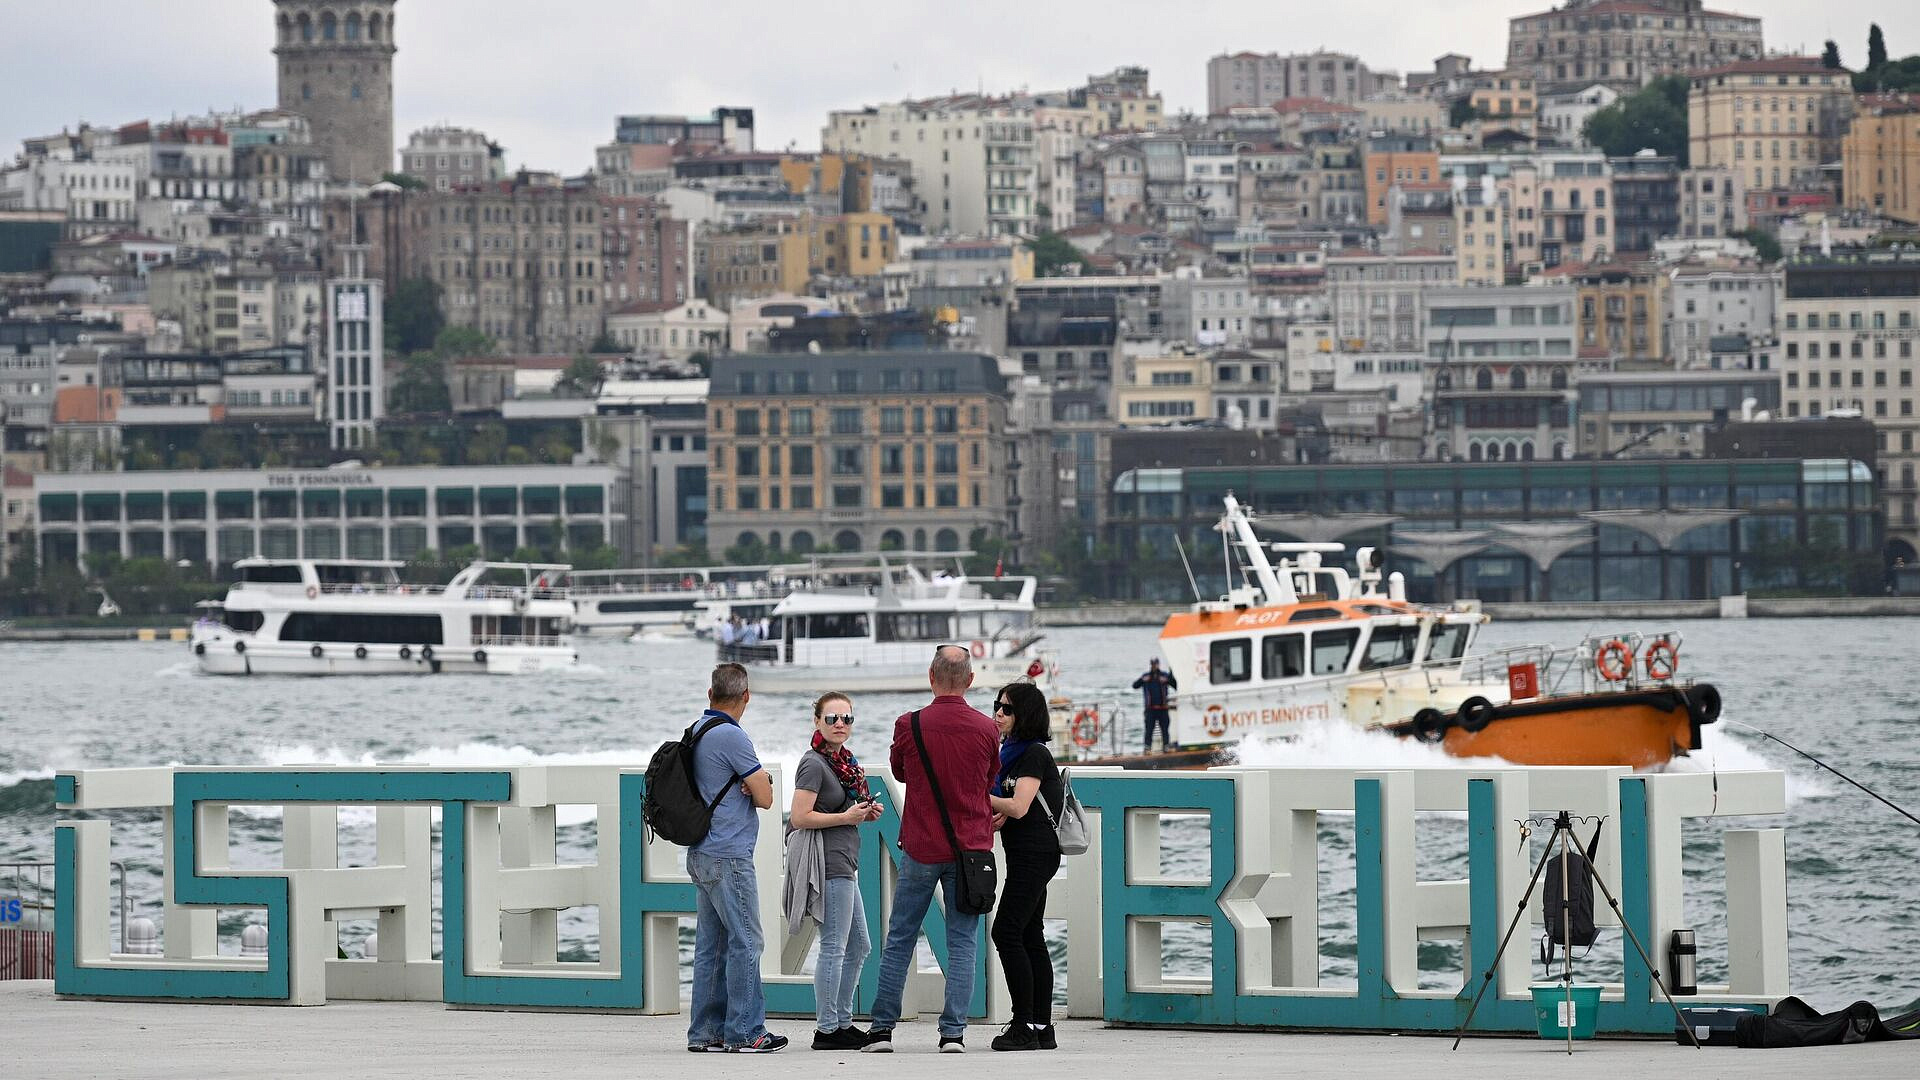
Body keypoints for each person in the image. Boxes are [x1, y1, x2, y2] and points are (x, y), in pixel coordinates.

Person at [863, 645, 999, 1054]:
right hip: (970, 849)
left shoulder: (909, 724)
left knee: (900, 936)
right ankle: (953, 1033)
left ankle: (882, 1030)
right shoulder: (987, 728)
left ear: (930, 676)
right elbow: (989, 778)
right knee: (963, 942)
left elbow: (901, 772)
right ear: (971, 681)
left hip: (922, 845)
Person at [685, 663, 787, 1054]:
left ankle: (706, 1032)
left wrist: (753, 780)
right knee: (748, 941)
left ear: (710, 694)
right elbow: (764, 798)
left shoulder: (698, 731)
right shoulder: (732, 736)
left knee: (712, 946)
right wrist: (760, 781)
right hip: (729, 854)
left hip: (702, 851)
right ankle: (746, 1032)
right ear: (746, 697)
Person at [788, 691, 884, 1051]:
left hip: (845, 861)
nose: (840, 724)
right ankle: (827, 1029)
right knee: (834, 946)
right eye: (832, 718)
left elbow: (843, 809)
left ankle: (841, 1022)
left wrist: (864, 811)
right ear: (817, 722)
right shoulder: (813, 764)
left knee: (859, 946)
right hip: (826, 865)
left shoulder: (845, 763)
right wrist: (846, 817)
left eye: (846, 718)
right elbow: (799, 817)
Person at [985, 681, 1064, 1052]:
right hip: (1024, 852)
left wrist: (977, 796)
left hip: (1036, 853)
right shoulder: (1010, 753)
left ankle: (1022, 1025)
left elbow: (1018, 806)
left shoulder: (1033, 753)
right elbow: (1013, 808)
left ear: (1026, 715)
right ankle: (1041, 1027)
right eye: (997, 706)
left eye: (1007, 709)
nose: (998, 714)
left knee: (1006, 932)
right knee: (1031, 935)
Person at [1133, 657, 1179, 753]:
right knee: (1149, 730)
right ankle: (1147, 748)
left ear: (1158, 664)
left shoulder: (1164, 676)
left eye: (1156, 664)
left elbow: (1175, 686)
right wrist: (1142, 679)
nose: (1154, 666)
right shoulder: (1146, 676)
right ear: (1151, 665)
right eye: (1153, 664)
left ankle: (1166, 746)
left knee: (1165, 729)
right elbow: (1135, 686)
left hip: (1163, 708)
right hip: (1150, 709)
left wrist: (1171, 675)